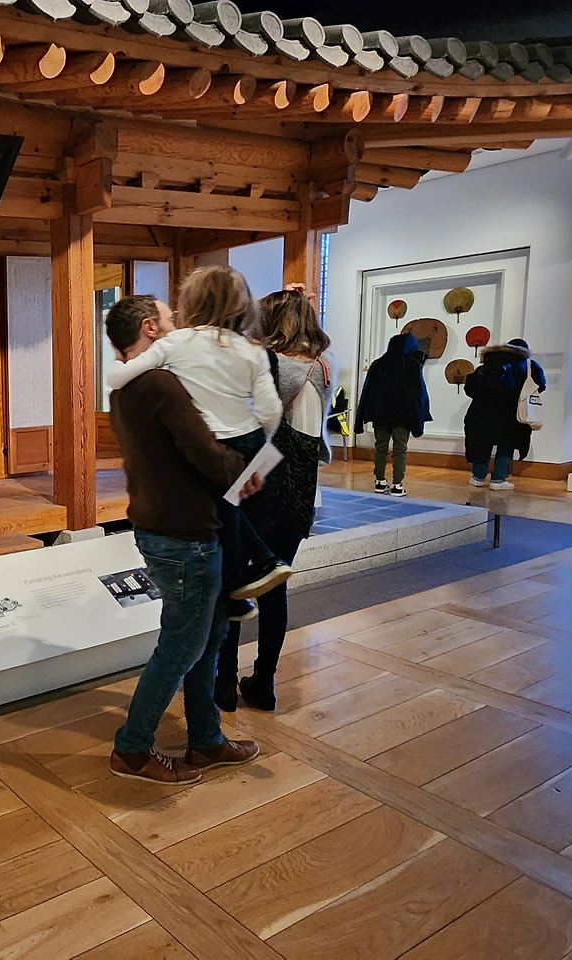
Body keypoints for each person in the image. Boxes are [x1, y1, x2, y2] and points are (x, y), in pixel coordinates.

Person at [105, 294, 261, 785]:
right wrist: (247, 469)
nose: (179, 326)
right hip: (183, 532)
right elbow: (205, 453)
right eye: (171, 319)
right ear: (150, 328)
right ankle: (132, 750)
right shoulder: (160, 383)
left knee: (206, 638)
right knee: (181, 646)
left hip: (164, 525)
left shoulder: (125, 386)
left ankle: (206, 740)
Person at [106, 265, 291, 620]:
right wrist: (261, 444)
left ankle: (251, 574)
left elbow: (121, 376)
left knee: (219, 512)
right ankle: (251, 576)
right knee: (230, 509)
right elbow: (271, 408)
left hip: (214, 441)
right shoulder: (253, 350)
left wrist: (116, 368)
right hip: (249, 438)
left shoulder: (177, 344)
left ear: (191, 301)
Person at [216, 289, 337, 712]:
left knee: (234, 583)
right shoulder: (325, 364)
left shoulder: (268, 362)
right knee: (274, 586)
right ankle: (264, 682)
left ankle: (224, 683)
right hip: (304, 488)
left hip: (261, 482)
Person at [355, 332, 432, 497]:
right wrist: (418, 420)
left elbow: (368, 391)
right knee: (400, 449)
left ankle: (379, 481)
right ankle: (397, 484)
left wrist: (362, 417)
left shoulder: (378, 364)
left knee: (380, 447)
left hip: (380, 414)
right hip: (402, 416)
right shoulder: (411, 364)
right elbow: (418, 394)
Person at [463, 337, 546, 491]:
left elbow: (470, 389)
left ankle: (478, 477)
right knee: (507, 445)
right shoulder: (529, 366)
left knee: (482, 443)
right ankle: (498, 479)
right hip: (512, 413)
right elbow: (540, 385)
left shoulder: (488, 363)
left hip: (481, 412)